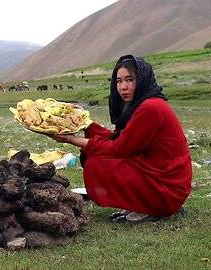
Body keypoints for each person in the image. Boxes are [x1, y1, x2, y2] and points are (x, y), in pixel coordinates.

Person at [50, 55, 192, 223]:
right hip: (162, 177)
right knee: (98, 154)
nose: (123, 87)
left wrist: (71, 140)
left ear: (143, 79)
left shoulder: (150, 107)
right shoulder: (144, 103)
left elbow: (119, 148)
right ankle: (143, 203)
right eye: (119, 81)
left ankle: (153, 206)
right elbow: (119, 139)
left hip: (167, 186)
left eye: (130, 80)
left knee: (97, 163)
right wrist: (83, 122)